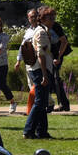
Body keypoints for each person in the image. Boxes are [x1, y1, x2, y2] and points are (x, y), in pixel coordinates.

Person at [24, 8, 56, 139]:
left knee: (42, 103)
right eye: (50, 18)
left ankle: (42, 131)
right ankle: (28, 130)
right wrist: (44, 74)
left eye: (53, 17)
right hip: (39, 70)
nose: (53, 20)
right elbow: (41, 55)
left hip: (40, 69)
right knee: (39, 102)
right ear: (42, 19)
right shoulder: (41, 32)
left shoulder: (43, 31)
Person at [49, 14, 71, 112]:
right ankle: (61, 103)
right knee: (53, 79)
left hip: (57, 54)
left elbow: (64, 42)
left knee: (55, 79)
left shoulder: (56, 26)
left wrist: (58, 57)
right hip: (48, 55)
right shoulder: (41, 26)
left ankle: (63, 104)